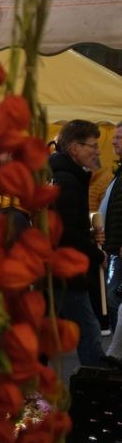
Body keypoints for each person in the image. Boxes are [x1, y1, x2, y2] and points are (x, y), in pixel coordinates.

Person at [49, 120, 108, 369]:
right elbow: (67, 232)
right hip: (66, 268)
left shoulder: (64, 175)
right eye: (92, 146)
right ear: (74, 148)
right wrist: (96, 254)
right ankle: (95, 387)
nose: (97, 151)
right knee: (89, 328)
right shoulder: (68, 180)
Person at [102, 123, 122, 365]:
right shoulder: (118, 173)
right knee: (113, 296)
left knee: (114, 297)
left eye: (119, 137)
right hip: (115, 248)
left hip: (118, 249)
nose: (114, 142)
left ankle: (115, 354)